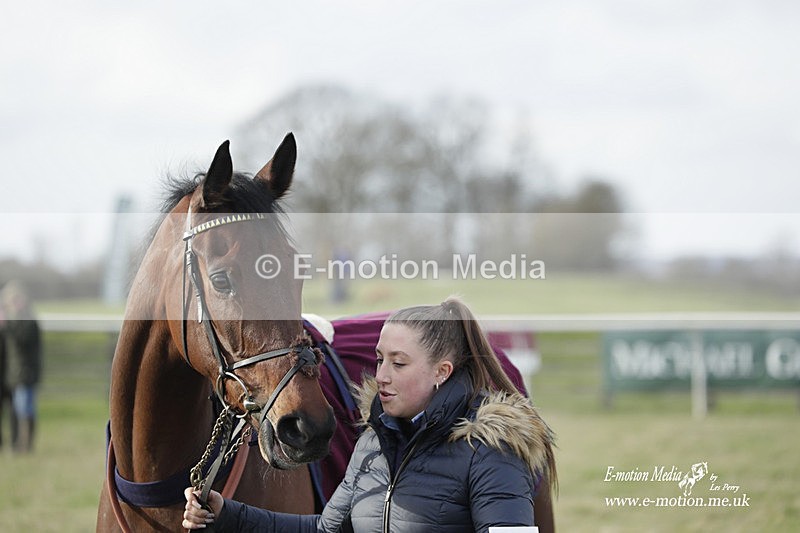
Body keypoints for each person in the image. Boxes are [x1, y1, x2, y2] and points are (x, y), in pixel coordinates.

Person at [183, 297, 557, 532]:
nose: (381, 376)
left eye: (399, 363)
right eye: (379, 359)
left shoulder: (491, 451)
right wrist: (226, 514)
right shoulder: (373, 444)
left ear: (441, 372)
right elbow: (326, 528)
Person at [1, 281, 42, 453]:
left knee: (25, 408)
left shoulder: (27, 321)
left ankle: (25, 445)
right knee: (19, 409)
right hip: (15, 374)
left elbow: (21, 338)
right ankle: (20, 444)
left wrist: (6, 324)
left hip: (25, 373)